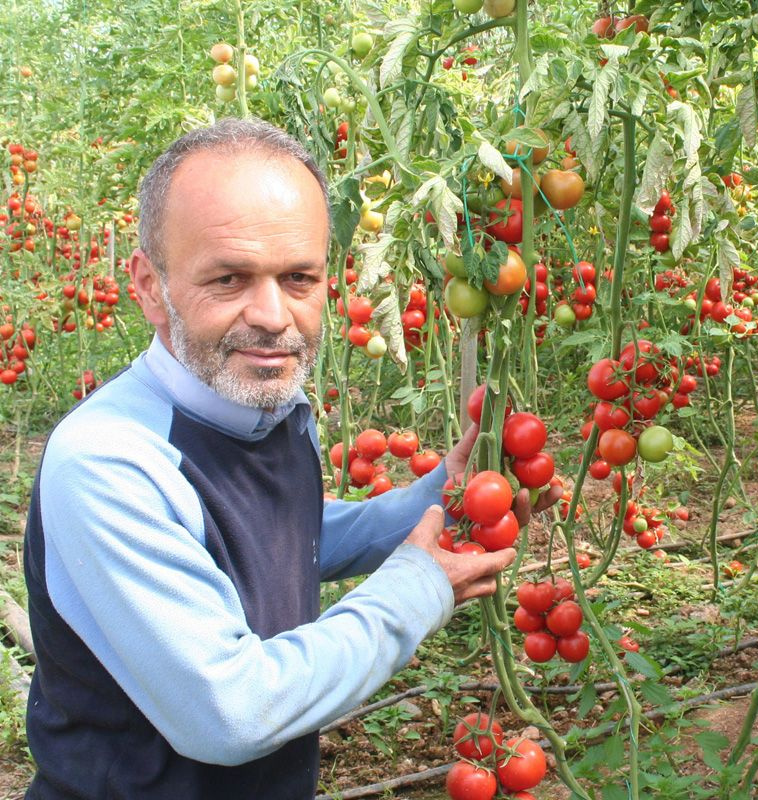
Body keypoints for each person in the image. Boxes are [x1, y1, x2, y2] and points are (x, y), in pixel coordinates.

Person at [22, 117, 547, 799]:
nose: (272, 315)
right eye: (229, 279)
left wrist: (439, 498)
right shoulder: (108, 462)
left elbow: (281, 536)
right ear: (151, 286)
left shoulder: (265, 408)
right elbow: (232, 713)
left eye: (299, 277)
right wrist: (419, 587)